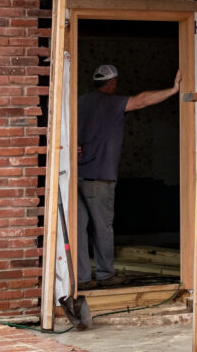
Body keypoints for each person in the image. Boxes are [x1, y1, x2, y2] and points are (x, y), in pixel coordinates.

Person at [76, 64, 180, 288]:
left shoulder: (79, 102)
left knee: (78, 229)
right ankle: (105, 274)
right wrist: (173, 90)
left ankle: (82, 278)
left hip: (74, 176)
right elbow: (142, 100)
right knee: (102, 228)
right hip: (99, 178)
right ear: (113, 82)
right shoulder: (111, 103)